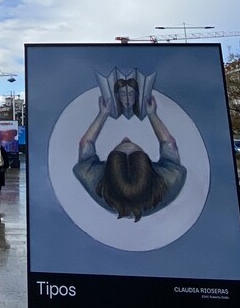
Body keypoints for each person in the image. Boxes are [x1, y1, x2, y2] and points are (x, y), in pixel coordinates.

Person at [74, 90, 186, 222]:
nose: (126, 138)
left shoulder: (96, 183)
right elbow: (170, 145)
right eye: (130, 144)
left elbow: (85, 144)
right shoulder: (170, 179)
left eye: (122, 143)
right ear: (148, 167)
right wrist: (152, 114)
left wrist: (103, 113)